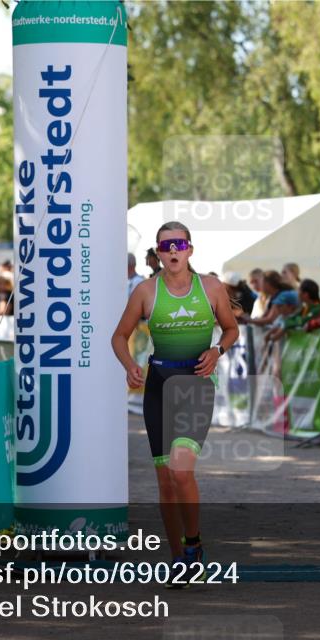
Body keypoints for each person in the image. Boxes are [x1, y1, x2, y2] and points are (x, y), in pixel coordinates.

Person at [111, 221, 238, 587]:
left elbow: (231, 328)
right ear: (157, 253)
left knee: (182, 472)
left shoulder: (211, 288)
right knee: (166, 482)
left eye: (179, 244)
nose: (172, 250)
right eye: (165, 245)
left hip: (196, 384)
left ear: (190, 250)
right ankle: (178, 558)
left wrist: (217, 351)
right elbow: (119, 336)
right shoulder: (146, 292)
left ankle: (194, 544)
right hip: (160, 386)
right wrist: (130, 365)